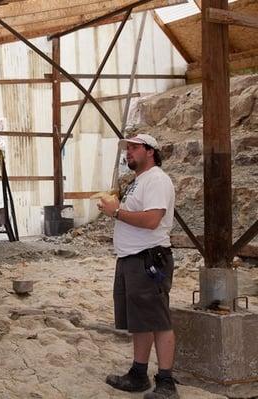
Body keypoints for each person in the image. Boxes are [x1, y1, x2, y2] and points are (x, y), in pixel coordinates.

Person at [98, 133, 178, 399]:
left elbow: (153, 220)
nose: (128, 152)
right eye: (127, 148)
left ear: (150, 151)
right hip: (132, 258)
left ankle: (166, 382)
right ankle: (138, 373)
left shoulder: (156, 179)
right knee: (140, 321)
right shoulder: (139, 181)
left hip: (148, 259)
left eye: (134, 148)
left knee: (158, 320)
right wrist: (116, 207)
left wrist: (116, 212)